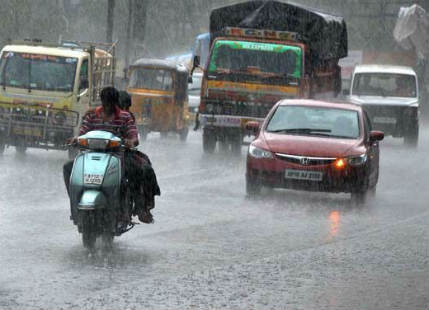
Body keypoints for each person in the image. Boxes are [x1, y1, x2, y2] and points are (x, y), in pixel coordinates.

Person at [63, 86, 160, 224]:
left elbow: (133, 136)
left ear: (115, 103)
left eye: (110, 104)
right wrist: (75, 139)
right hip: (91, 155)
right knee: (68, 169)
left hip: (117, 156)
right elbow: (82, 132)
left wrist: (131, 141)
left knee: (136, 172)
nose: (107, 107)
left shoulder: (125, 117)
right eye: (105, 103)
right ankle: (75, 204)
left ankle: (138, 208)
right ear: (101, 102)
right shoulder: (91, 115)